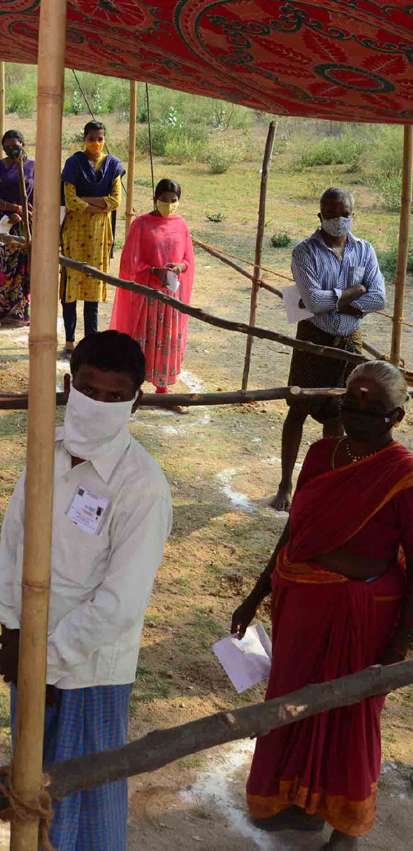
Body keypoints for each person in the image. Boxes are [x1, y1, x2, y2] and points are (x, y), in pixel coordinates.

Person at [0, 330, 172, 851]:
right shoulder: (44, 451)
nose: (100, 405)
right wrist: (12, 631)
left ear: (136, 401)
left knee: (85, 803)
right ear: (70, 386)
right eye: (91, 390)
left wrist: (45, 663)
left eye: (116, 397)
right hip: (27, 654)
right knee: (32, 793)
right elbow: (13, 541)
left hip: (90, 672)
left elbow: (121, 603)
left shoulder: (142, 486)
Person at [234, 360, 413, 850]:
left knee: (348, 714)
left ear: (395, 417)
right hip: (299, 608)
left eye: (370, 408)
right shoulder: (319, 454)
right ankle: (294, 801)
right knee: (292, 702)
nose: (355, 414)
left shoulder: (403, 474)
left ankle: (345, 826)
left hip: (361, 614)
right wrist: (256, 593)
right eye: (349, 403)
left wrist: (398, 646)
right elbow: (294, 531)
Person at [271, 187, 386, 511]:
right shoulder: (304, 252)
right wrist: (355, 291)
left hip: (349, 340)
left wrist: (341, 302)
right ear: (320, 215)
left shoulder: (365, 250)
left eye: (344, 214)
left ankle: (327, 483)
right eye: (331, 214)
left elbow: (379, 298)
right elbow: (313, 301)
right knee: (298, 407)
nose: (338, 220)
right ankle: (285, 483)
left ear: (353, 215)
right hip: (313, 336)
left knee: (337, 412)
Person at [109, 179, 194, 394]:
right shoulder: (141, 224)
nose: (168, 203)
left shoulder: (181, 224)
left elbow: (188, 259)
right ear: (155, 199)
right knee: (143, 339)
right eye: (164, 199)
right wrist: (152, 270)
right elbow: (129, 261)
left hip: (171, 296)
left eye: (173, 200)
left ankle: (162, 386)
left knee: (167, 338)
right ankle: (134, 385)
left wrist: (180, 267)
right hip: (147, 295)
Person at [60, 120, 125, 354]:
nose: (96, 143)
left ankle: (90, 343)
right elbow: (70, 200)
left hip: (99, 234)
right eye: (91, 138)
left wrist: (87, 201)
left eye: (100, 138)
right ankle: (69, 340)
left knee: (93, 287)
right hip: (74, 233)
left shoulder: (113, 165)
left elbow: (115, 201)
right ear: (84, 139)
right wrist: (100, 204)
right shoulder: (73, 163)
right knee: (70, 287)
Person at [0, 129, 35, 327]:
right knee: (0, 269)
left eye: (15, 146)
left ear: (23, 145)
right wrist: (12, 208)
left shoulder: (32, 167)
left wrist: (24, 213)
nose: (11, 150)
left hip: (26, 225)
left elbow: (40, 197)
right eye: (7, 147)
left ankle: (20, 314)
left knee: (23, 270)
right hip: (2, 225)